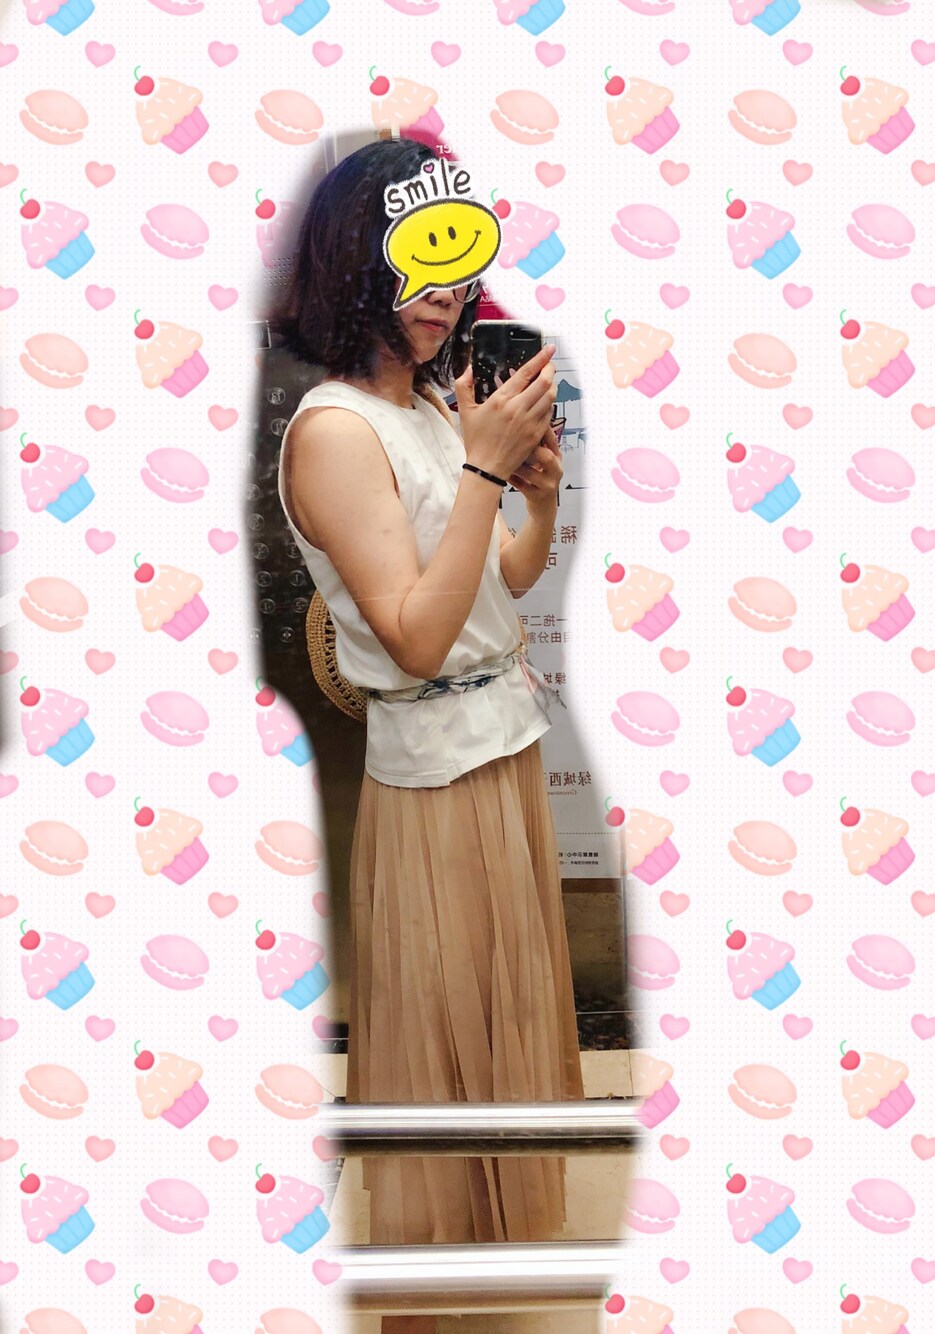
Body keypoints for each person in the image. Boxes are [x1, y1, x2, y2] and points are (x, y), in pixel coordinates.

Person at [267, 136, 586, 1334]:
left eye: (459, 259)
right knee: (446, 1026)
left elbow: (501, 582)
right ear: (358, 259)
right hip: (434, 771)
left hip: (501, 745)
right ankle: (437, 1289)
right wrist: (484, 474)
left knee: (502, 1021)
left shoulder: (431, 408)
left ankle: (496, 1272)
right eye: (419, 258)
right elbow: (411, 634)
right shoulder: (335, 429)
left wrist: (531, 491)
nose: (447, 290)